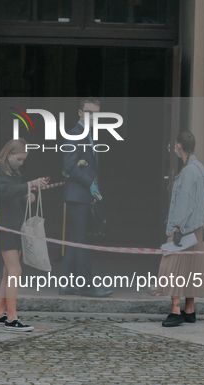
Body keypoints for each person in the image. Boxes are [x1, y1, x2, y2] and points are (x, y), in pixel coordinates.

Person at [0, 138, 47, 332]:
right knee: (15, 271)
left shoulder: (12, 171)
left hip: (14, 222)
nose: (21, 162)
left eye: (23, 159)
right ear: (9, 154)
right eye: (19, 158)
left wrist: (27, 194)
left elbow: (12, 193)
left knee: (8, 271)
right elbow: (5, 192)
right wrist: (29, 185)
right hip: (3, 223)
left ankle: (1, 314)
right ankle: (12, 317)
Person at [158, 131, 204, 327]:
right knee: (191, 268)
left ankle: (175, 310)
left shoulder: (188, 171)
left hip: (183, 228)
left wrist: (176, 228)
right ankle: (189, 309)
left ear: (178, 145)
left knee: (172, 267)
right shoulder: (201, 169)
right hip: (196, 228)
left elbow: (183, 201)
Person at [60, 98, 112, 298]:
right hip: (78, 195)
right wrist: (90, 184)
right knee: (83, 241)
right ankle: (86, 285)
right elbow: (70, 166)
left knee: (77, 239)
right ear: (80, 113)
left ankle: (66, 283)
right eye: (89, 112)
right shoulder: (73, 134)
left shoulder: (91, 134)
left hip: (84, 196)